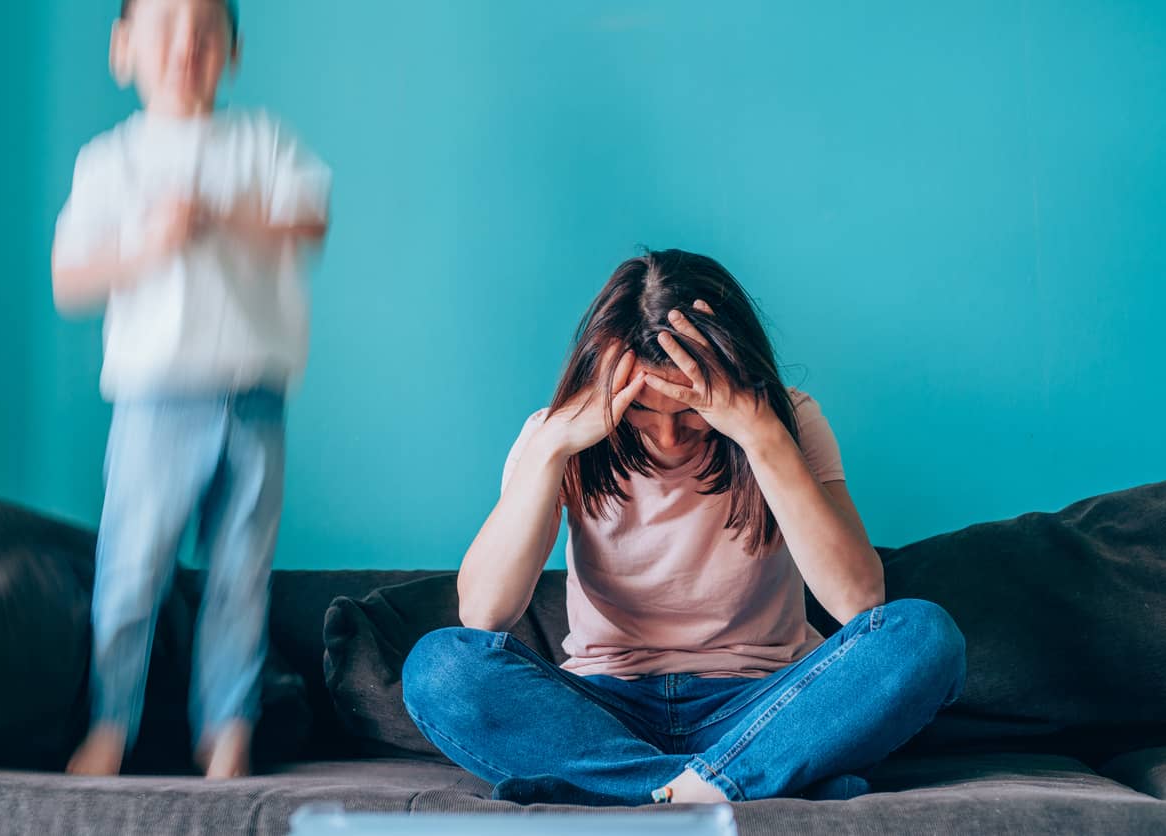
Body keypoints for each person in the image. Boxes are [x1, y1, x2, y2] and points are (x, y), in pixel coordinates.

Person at [403, 249, 965, 805]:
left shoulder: (789, 423)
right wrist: (550, 448)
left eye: (690, 409)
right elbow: (483, 615)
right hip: (604, 713)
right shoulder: (557, 437)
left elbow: (858, 600)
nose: (669, 438)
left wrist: (761, 435)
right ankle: (728, 785)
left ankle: (649, 791)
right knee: (440, 666)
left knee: (923, 634)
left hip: (764, 707)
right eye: (643, 412)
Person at [51, 0, 331, 778]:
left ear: (232, 52)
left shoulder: (262, 142)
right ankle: (110, 723)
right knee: (132, 570)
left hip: (255, 397)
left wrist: (221, 217)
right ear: (122, 50)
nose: (186, 47)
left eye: (206, 33)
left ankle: (227, 733)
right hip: (153, 397)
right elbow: (69, 279)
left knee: (240, 579)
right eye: (165, 30)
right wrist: (145, 244)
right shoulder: (109, 160)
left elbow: (308, 222)